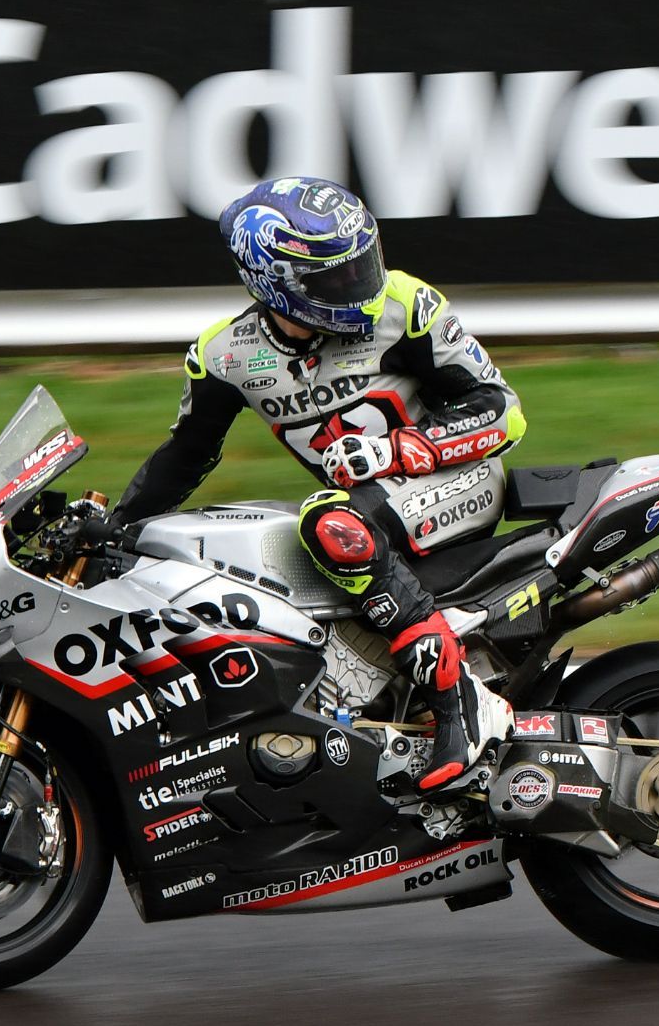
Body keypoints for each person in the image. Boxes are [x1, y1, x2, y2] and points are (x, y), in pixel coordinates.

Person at [112, 176, 518, 795]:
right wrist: (115, 528)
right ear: (274, 281)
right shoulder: (224, 355)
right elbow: (185, 456)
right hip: (366, 517)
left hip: (459, 480)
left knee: (327, 522)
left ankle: (459, 701)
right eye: (336, 277)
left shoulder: (407, 307)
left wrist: (398, 449)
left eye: (361, 264)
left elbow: (503, 411)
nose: (361, 285)